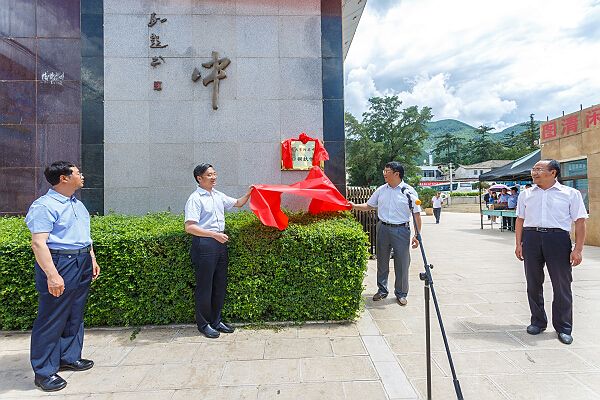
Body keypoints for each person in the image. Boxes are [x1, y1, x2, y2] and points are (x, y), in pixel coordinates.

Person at [25, 161, 100, 392]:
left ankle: (68, 356)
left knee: (74, 312)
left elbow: (83, 236)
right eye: (78, 173)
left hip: (81, 260)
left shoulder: (76, 204)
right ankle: (44, 371)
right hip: (61, 262)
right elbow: (38, 243)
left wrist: (92, 258)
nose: (82, 175)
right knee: (52, 316)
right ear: (64, 178)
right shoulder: (44, 206)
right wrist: (53, 275)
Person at [514, 160, 588, 345]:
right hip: (531, 239)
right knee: (533, 283)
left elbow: (580, 222)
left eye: (539, 169)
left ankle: (563, 327)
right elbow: (520, 220)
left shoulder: (571, 194)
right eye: (533, 169)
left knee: (561, 285)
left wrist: (578, 249)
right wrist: (518, 244)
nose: (534, 173)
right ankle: (538, 322)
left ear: (553, 172)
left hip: (558, 240)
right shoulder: (526, 194)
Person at [184, 163, 252, 338]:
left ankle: (216, 320)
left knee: (219, 284)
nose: (214, 177)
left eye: (214, 174)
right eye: (209, 175)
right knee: (205, 286)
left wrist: (250, 193)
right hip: (205, 244)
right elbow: (190, 227)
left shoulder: (217, 195)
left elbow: (237, 203)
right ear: (199, 178)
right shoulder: (195, 198)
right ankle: (204, 324)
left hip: (219, 243)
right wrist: (214, 235)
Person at [350, 162, 422, 306]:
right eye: (384, 170)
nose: (384, 173)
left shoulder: (409, 191)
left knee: (402, 262)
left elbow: (416, 214)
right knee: (382, 260)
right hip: (382, 228)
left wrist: (417, 235)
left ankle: (401, 293)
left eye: (387, 171)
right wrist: (353, 205)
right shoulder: (381, 190)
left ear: (397, 174)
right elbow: (369, 205)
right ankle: (382, 290)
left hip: (401, 230)